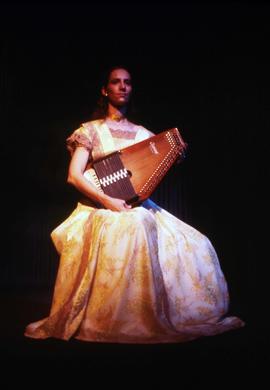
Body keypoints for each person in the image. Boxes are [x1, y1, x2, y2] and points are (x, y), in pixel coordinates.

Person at [24, 65, 244, 343]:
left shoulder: (143, 134)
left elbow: (150, 169)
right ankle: (115, 318)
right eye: (116, 82)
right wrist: (107, 200)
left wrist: (175, 155)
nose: (123, 86)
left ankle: (152, 313)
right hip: (96, 206)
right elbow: (74, 176)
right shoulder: (90, 131)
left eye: (127, 82)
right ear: (105, 90)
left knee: (194, 241)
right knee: (135, 224)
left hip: (134, 204)